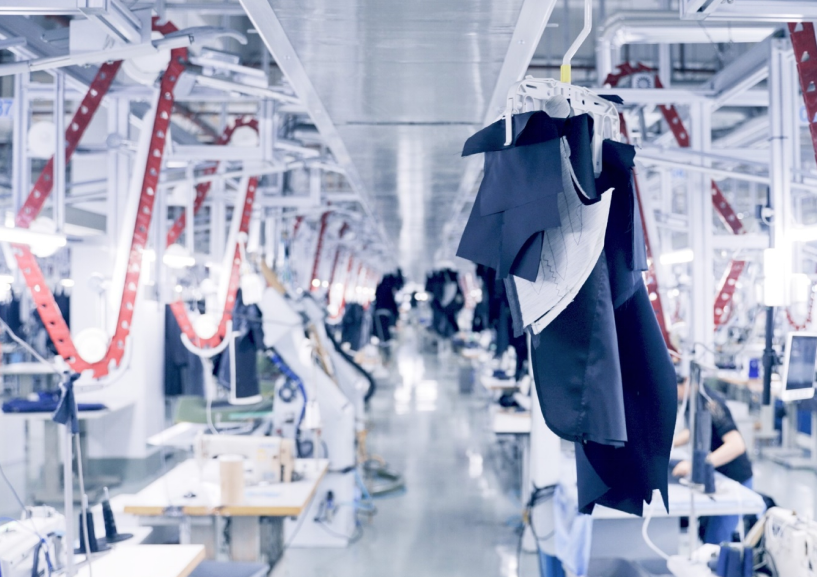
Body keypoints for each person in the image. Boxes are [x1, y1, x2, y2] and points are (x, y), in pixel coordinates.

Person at [672, 376, 754, 545]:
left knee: (716, 540)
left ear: (687, 380)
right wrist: (668, 443)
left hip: (736, 480)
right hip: (717, 477)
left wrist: (696, 465)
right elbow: (695, 429)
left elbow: (736, 445)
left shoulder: (711, 404)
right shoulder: (693, 400)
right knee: (706, 533)